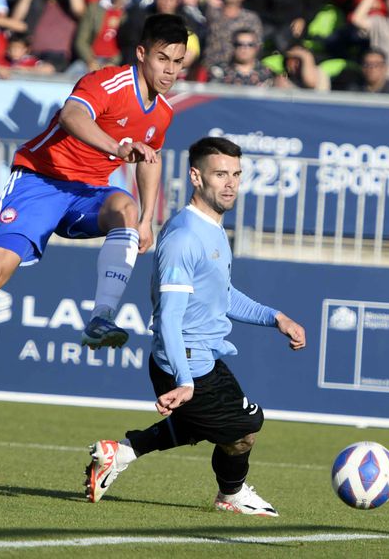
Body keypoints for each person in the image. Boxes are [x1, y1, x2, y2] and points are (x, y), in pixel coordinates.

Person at [0, 14, 189, 426]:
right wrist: (116, 146)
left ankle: (100, 319)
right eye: (163, 58)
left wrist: (146, 219)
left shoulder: (162, 111)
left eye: (178, 62)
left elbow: (149, 158)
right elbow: (72, 117)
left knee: (124, 209)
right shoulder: (106, 81)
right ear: (142, 53)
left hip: (86, 194)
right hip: (39, 182)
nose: (170, 70)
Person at [84, 136, 306, 513]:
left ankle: (119, 453)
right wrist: (185, 381)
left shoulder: (211, 228)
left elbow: (222, 294)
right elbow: (169, 316)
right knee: (245, 428)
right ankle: (231, 496)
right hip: (184, 362)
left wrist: (275, 317)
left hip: (200, 358)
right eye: (220, 174)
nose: (231, 183)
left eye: (236, 174)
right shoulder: (185, 236)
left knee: (214, 425)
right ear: (196, 177)